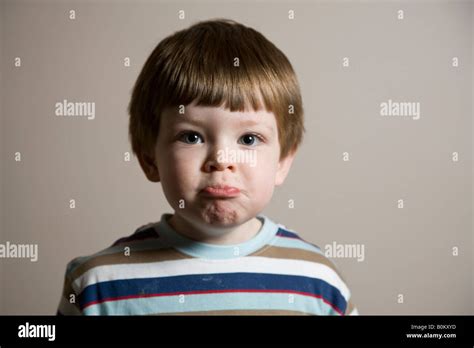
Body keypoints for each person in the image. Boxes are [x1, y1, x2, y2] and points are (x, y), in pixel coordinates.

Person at [56, 18, 358, 316]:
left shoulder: (319, 283)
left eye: (249, 139)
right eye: (192, 136)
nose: (221, 160)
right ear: (149, 159)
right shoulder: (98, 286)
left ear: (282, 162)